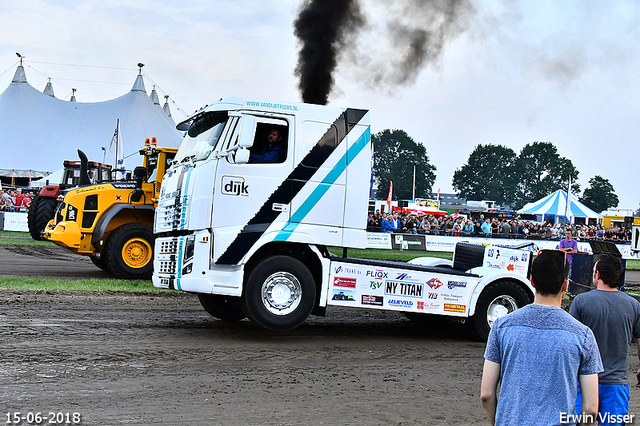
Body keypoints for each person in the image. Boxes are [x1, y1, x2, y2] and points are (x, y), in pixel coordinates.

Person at [481, 249, 603, 426]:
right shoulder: (583, 335)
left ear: (531, 281)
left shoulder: (502, 327)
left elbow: (486, 394)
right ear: (565, 285)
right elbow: (591, 408)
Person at [569, 254, 640, 426]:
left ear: (598, 275)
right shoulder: (633, 305)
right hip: (616, 384)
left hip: (584, 382)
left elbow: (570, 343)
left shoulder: (581, 302)